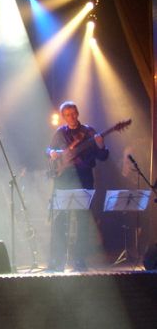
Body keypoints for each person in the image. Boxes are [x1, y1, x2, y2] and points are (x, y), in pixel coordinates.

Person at [47, 101, 109, 271]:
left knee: (82, 221)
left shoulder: (89, 132)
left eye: (73, 113)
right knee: (60, 219)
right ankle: (57, 261)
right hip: (63, 180)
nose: (72, 117)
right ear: (63, 117)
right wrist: (52, 153)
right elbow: (48, 150)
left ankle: (80, 260)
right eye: (68, 115)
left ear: (78, 113)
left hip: (84, 179)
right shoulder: (60, 133)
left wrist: (101, 145)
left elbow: (103, 156)